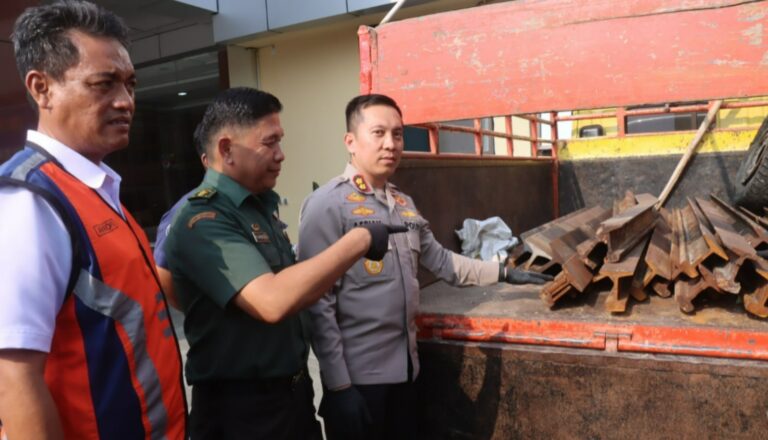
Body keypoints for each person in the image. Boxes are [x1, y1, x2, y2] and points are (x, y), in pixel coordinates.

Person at [297, 94, 551, 440]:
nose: (391, 144)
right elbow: (317, 304)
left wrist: (504, 272)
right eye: (379, 133)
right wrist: (338, 386)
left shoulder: (404, 205)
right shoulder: (328, 206)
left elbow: (443, 262)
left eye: (398, 134)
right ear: (351, 142)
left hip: (407, 373)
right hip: (360, 383)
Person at [163, 87, 404, 439]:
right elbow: (273, 301)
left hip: (291, 396)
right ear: (227, 149)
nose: (281, 155)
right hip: (242, 411)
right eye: (269, 143)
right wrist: (359, 240)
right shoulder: (203, 218)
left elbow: (296, 287)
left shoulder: (259, 209)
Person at [0, 2, 187, 439]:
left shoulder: (96, 189)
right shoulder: (29, 202)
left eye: (130, 84)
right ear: (41, 88)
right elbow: (14, 379)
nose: (125, 101)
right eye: (103, 84)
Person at [154, 126, 208, 309]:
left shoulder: (257, 202)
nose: (279, 155)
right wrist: (197, 316)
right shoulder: (187, 209)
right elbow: (163, 272)